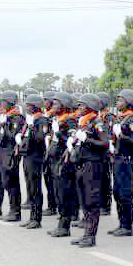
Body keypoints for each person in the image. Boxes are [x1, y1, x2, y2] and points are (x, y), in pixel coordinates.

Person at [69, 93, 109, 247]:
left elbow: (104, 143)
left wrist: (87, 139)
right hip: (82, 163)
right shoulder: (84, 122)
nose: (79, 107)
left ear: (90, 106)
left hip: (93, 164)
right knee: (84, 200)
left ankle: (90, 236)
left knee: (92, 201)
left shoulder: (97, 122)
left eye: (82, 105)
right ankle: (86, 234)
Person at [108, 89, 133, 237]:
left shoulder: (132, 120)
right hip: (118, 158)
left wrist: (121, 136)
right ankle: (121, 223)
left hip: (127, 160)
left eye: (121, 100)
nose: (118, 103)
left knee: (125, 193)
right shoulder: (121, 118)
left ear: (128, 102)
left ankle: (127, 226)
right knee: (117, 192)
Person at [48, 93, 79, 238]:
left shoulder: (70, 121)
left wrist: (58, 132)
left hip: (64, 161)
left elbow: (71, 140)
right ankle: (61, 224)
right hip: (55, 160)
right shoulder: (58, 119)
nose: (53, 106)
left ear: (64, 105)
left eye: (56, 103)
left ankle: (64, 226)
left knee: (64, 193)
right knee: (57, 193)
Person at [18, 94, 49, 229]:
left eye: (28, 105)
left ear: (34, 106)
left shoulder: (42, 120)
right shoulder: (31, 119)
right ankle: (32, 217)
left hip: (36, 157)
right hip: (27, 155)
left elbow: (40, 138)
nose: (26, 107)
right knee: (30, 187)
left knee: (35, 188)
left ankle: (36, 219)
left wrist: (31, 127)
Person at [0, 91, 24, 221]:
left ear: (10, 102)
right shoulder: (6, 116)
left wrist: (5, 124)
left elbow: (13, 136)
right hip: (3, 152)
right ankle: (12, 210)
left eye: (4, 101)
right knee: (6, 182)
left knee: (12, 182)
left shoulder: (16, 118)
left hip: (11, 153)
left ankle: (15, 212)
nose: (1, 104)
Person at [41, 91, 58, 217]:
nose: (44, 102)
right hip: (46, 150)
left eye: (46, 100)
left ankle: (53, 206)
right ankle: (51, 205)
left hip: (54, 151)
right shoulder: (46, 115)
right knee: (47, 178)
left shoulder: (54, 117)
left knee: (53, 180)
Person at [97, 92, 113, 217]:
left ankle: (106, 206)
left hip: (106, 151)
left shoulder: (109, 117)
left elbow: (108, 134)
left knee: (105, 179)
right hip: (99, 151)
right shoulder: (99, 116)